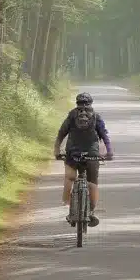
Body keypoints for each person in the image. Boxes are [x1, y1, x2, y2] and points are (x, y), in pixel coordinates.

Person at [54, 92, 112, 226]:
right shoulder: (96, 116)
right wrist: (109, 152)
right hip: (92, 152)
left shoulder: (72, 115)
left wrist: (57, 151)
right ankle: (91, 212)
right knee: (93, 183)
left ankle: (70, 209)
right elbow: (104, 135)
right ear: (91, 103)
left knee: (69, 179)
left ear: (77, 103)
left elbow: (61, 133)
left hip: (72, 152)